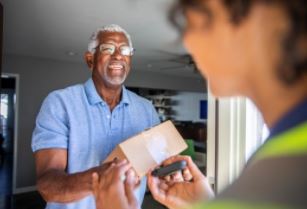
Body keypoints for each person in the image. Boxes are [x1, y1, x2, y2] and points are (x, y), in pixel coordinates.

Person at [92, 0, 307, 209]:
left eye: (194, 19)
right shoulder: (282, 156)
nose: (188, 39)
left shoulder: (279, 179)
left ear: (262, 16)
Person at [31, 24, 160, 209]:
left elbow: (154, 166)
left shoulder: (147, 109)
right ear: (90, 59)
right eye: (108, 48)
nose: (118, 55)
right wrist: (101, 178)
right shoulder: (60, 103)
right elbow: (47, 186)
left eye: (125, 50)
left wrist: (169, 173)